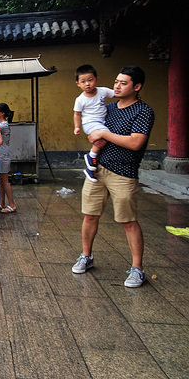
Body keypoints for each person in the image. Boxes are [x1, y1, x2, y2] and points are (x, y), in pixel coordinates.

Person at [71, 66, 155, 288]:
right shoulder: (108, 108)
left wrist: (104, 134)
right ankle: (86, 256)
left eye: (123, 83)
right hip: (98, 169)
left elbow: (136, 142)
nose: (117, 86)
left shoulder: (143, 111)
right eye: (116, 81)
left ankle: (138, 269)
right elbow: (92, 126)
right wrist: (91, 136)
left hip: (124, 171)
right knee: (89, 215)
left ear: (136, 87)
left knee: (128, 221)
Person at [73, 64, 115, 183]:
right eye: (83, 81)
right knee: (106, 134)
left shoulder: (103, 91)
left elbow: (117, 93)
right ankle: (91, 156)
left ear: (96, 79)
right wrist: (77, 127)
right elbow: (77, 114)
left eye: (90, 80)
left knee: (101, 141)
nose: (87, 84)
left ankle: (91, 169)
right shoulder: (80, 99)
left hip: (102, 122)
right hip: (90, 123)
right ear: (78, 84)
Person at [0, 103, 17, 213]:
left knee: (5, 181)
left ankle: (12, 204)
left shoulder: (2, 126)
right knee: (0, 181)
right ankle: (1, 203)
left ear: (2, 113)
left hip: (3, 155)